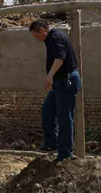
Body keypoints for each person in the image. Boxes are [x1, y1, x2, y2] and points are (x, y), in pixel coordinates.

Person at [29, 19, 82, 162]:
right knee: (47, 109)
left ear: (42, 30)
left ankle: (65, 153)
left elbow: (60, 58)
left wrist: (49, 76)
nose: (37, 39)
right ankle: (51, 143)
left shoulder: (55, 37)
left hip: (66, 81)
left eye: (36, 35)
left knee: (64, 117)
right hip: (60, 82)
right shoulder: (51, 38)